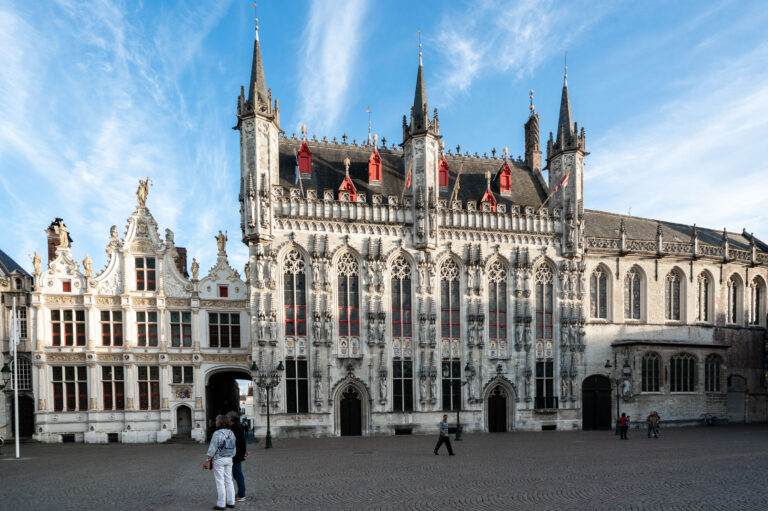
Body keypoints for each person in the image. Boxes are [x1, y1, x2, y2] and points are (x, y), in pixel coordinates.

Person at [203, 414, 236, 510]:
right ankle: (231, 502)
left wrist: (207, 460)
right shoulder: (231, 433)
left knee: (220, 481)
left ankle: (221, 504)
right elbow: (234, 447)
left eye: (216, 420)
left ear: (220, 422)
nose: (215, 422)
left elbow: (212, 448)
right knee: (229, 480)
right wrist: (231, 456)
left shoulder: (217, 433)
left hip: (219, 458)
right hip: (229, 458)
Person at [227, 411, 249, 502]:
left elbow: (241, 441)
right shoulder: (236, 427)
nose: (226, 419)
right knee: (237, 474)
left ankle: (241, 495)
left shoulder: (235, 428)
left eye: (227, 417)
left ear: (231, 419)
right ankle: (240, 493)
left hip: (236, 454)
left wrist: (243, 451)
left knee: (238, 474)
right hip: (237, 453)